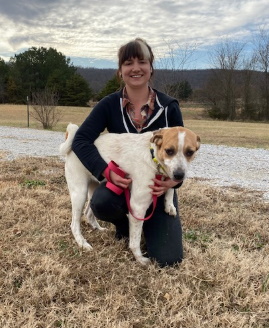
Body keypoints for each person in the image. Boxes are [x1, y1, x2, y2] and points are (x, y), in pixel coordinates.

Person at [72, 38, 184, 267]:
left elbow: (182, 152)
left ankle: (147, 223)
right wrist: (104, 171)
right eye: (128, 63)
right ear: (120, 70)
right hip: (122, 188)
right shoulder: (108, 105)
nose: (135, 68)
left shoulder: (168, 106)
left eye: (142, 61)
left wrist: (173, 184)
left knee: (168, 259)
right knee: (101, 201)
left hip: (156, 189)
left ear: (151, 68)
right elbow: (81, 140)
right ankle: (124, 224)